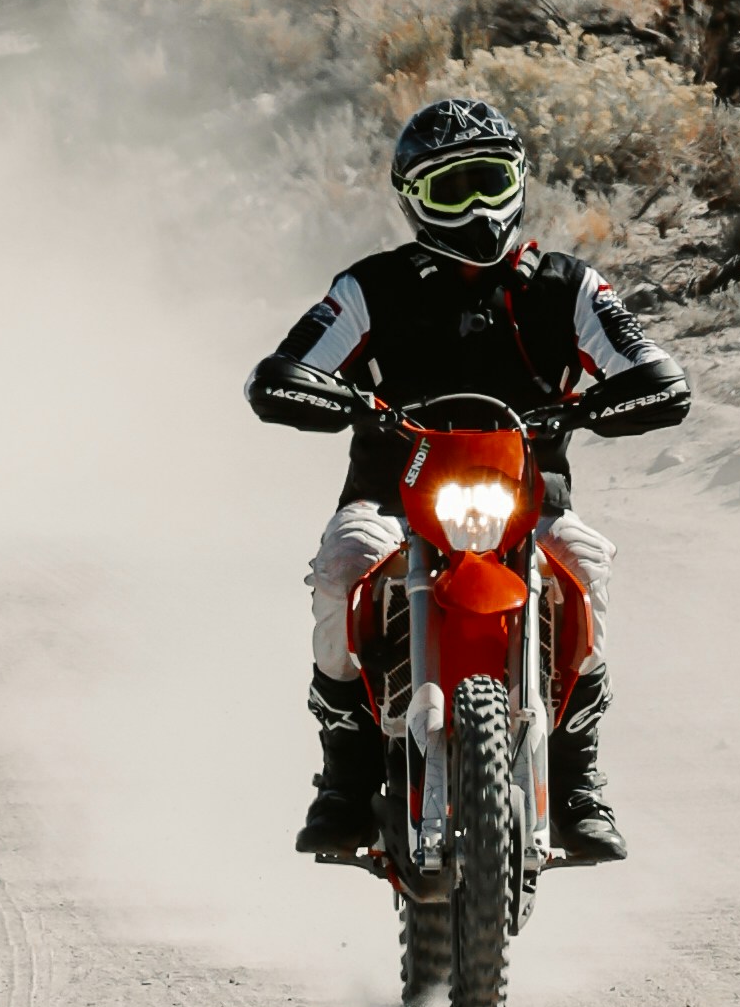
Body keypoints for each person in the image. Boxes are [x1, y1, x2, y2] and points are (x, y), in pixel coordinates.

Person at [247, 85, 686, 870]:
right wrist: (329, 396)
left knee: (587, 565)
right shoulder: (369, 287)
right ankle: (343, 776)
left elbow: (654, 370)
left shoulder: (568, 286)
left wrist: (599, 406)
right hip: (392, 495)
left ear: (518, 179)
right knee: (340, 568)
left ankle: (580, 779)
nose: (476, 206)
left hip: (530, 500)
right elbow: (285, 370)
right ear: (415, 200)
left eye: (489, 180)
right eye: (452, 188)